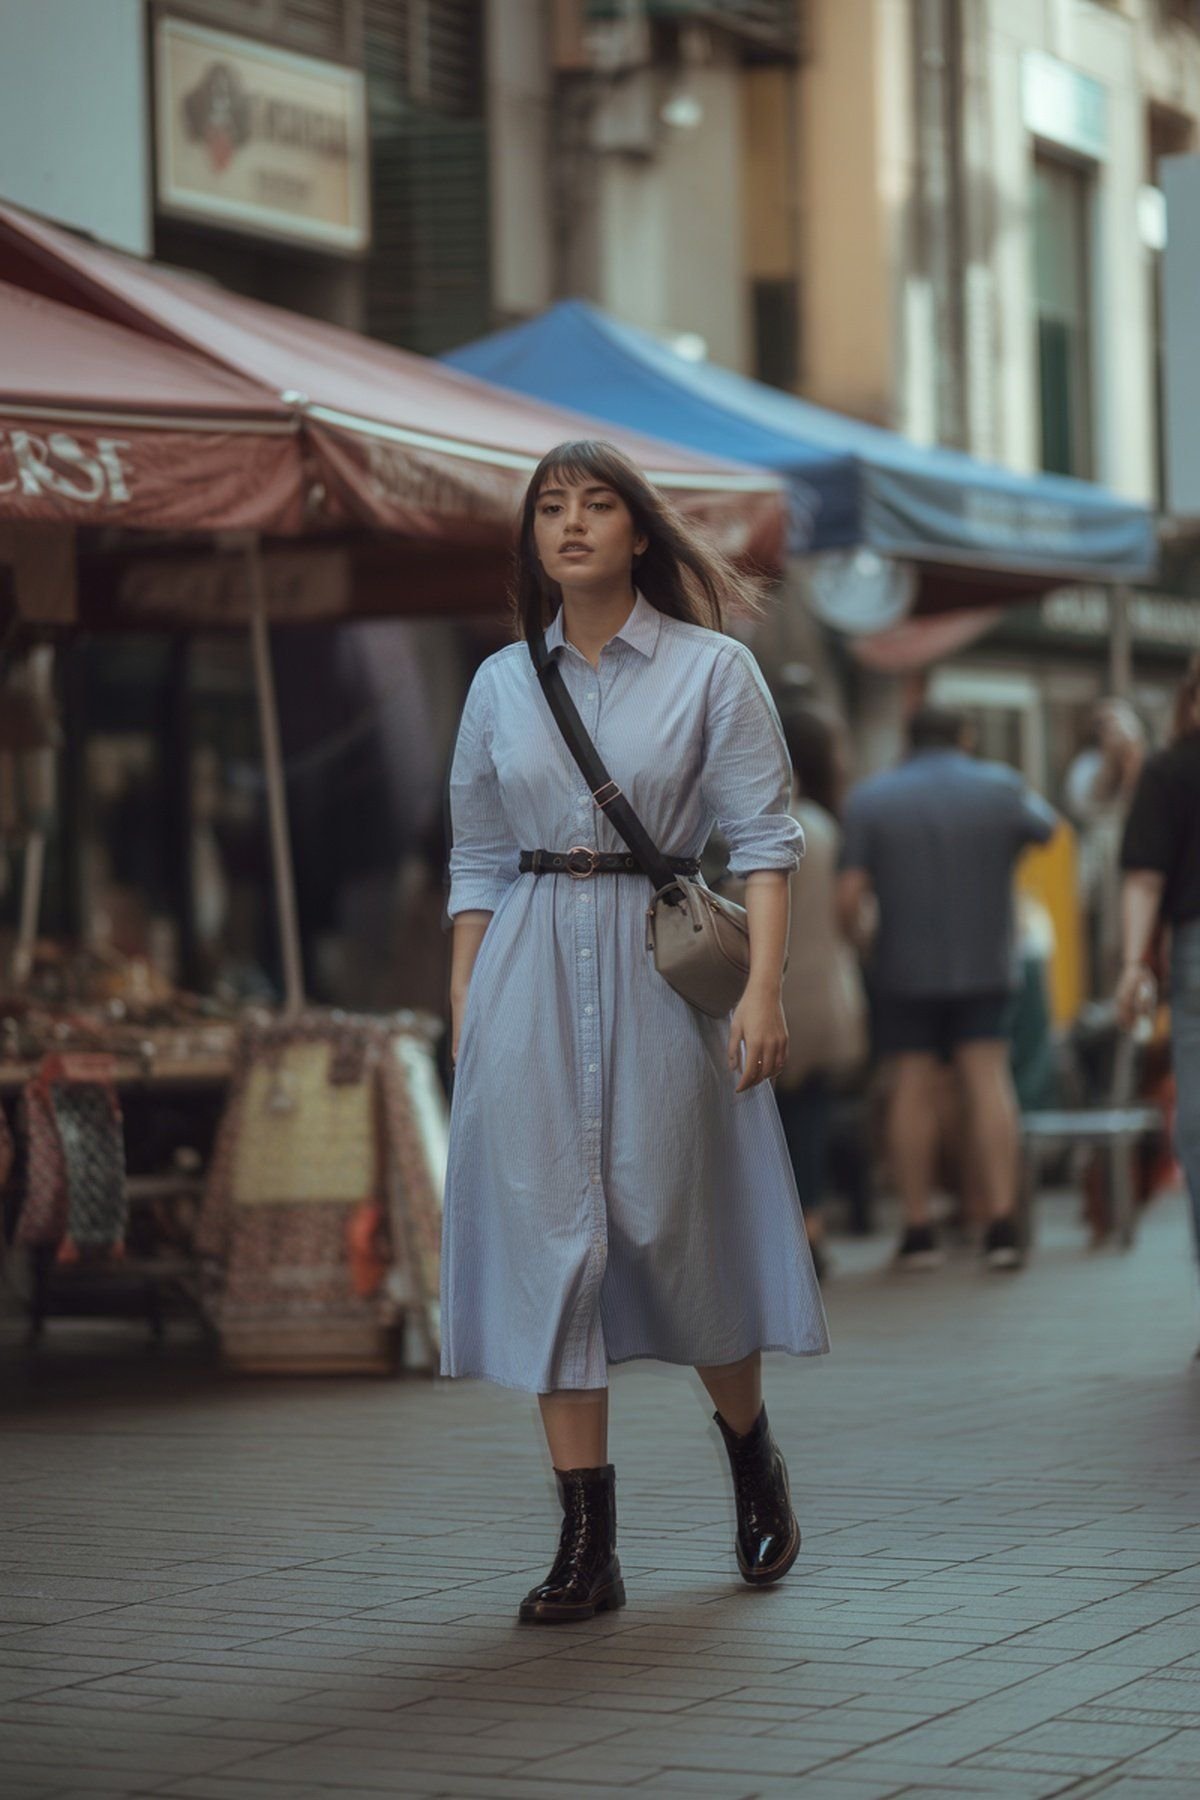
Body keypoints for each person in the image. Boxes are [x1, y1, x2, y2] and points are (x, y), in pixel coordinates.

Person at [442, 440, 829, 1625]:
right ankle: (586, 1543)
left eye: (595, 506)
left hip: (664, 968)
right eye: (550, 508)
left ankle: (751, 1448)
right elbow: (471, 859)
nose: (570, 525)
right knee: (555, 1242)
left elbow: (764, 843)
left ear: (640, 534)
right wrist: (466, 1016)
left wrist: (763, 991)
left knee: (678, 1225)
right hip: (527, 971)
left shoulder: (716, 671)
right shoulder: (501, 683)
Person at [837, 707, 1058, 1273]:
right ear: (965, 736)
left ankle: (918, 1229)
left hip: (903, 967)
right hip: (987, 961)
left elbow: (849, 896)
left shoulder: (871, 798)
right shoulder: (1000, 786)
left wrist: (865, 947)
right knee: (988, 1078)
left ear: (908, 740)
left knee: (909, 1084)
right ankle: (1002, 1223)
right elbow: (1048, 829)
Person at [1116, 654, 1200, 1324]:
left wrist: (1133, 964)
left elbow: (1144, 876)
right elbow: (1142, 877)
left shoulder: (1172, 769)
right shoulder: (1170, 770)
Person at [772, 705, 867, 1279]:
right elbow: (854, 918)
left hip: (770, 992)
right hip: (826, 995)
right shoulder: (828, 828)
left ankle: (786, 1231)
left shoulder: (760, 827)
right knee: (810, 1113)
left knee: (773, 1119)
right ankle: (811, 1225)